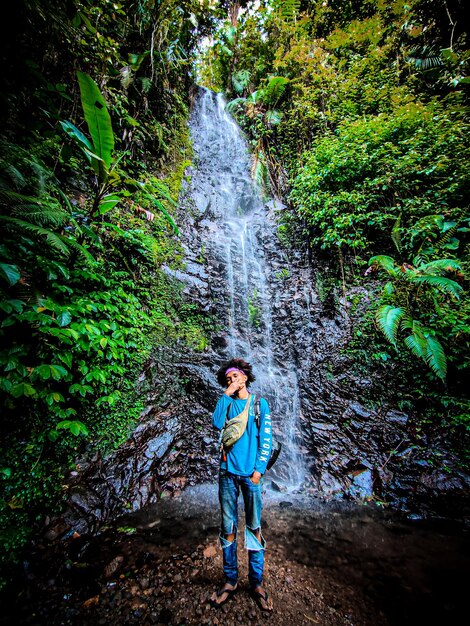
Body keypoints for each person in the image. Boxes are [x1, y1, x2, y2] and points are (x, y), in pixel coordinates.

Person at [209, 358, 273, 612]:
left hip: (250, 476)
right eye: (227, 379)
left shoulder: (259, 404)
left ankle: (256, 583)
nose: (232, 380)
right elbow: (216, 423)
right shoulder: (226, 403)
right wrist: (226, 393)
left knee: (254, 527)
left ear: (244, 377)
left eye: (234, 376)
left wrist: (258, 471)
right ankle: (230, 580)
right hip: (227, 474)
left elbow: (266, 438)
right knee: (227, 528)